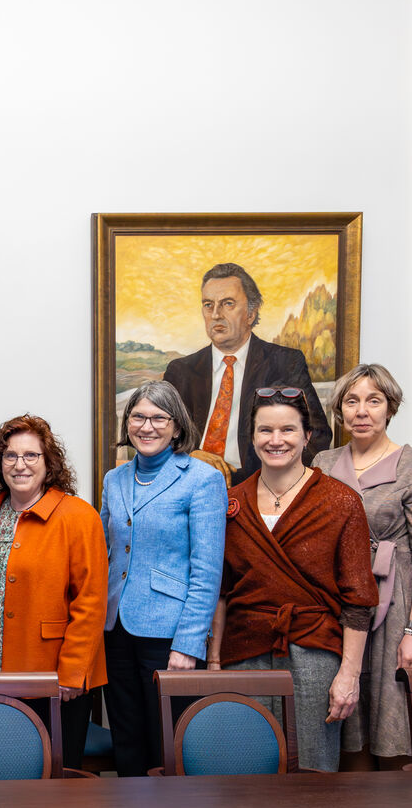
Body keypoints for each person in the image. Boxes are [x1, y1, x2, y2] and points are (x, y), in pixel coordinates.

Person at [211, 387, 376, 773]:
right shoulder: (231, 503)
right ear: (251, 437)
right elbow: (219, 591)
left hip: (314, 654)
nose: (276, 440)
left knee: (312, 772)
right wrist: (215, 662)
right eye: (265, 430)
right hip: (242, 650)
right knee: (241, 767)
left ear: (307, 436)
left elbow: (359, 600)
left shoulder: (340, 501)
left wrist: (348, 674)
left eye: (287, 430)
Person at [0, 415, 106, 771]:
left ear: (49, 463)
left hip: (52, 678)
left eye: (31, 455)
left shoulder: (79, 517)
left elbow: (91, 602)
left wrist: (72, 673)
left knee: (51, 786)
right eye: (10, 456)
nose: (20, 464)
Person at [315, 365, 412, 772]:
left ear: (390, 408)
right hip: (336, 609)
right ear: (339, 411)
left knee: (395, 729)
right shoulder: (322, 461)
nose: (362, 411)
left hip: (397, 612)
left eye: (373, 401)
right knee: (343, 728)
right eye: (351, 401)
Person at [98, 381, 226, 778]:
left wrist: (189, 644)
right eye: (138, 416)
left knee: (166, 745)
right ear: (127, 422)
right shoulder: (113, 480)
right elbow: (105, 552)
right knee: (126, 738)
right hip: (115, 626)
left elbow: (207, 572)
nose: (147, 426)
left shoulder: (202, 479)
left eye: (158, 418)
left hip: (168, 635)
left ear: (176, 426)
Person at [162, 263, 329, 483]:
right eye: (208, 305)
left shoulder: (285, 363)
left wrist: (272, 484)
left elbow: (317, 434)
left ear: (251, 312)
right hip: (188, 483)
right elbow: (158, 437)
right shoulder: (180, 371)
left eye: (227, 304)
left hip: (260, 486)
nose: (215, 314)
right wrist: (189, 457)